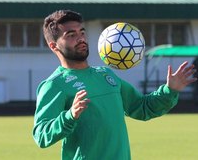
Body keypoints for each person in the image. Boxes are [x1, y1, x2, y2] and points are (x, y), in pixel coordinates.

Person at [32, 10, 197, 160]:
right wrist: (70, 116)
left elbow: (142, 107)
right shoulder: (54, 85)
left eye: (82, 32)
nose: (81, 38)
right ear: (54, 46)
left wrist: (169, 90)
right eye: (71, 35)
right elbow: (41, 135)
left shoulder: (105, 74)